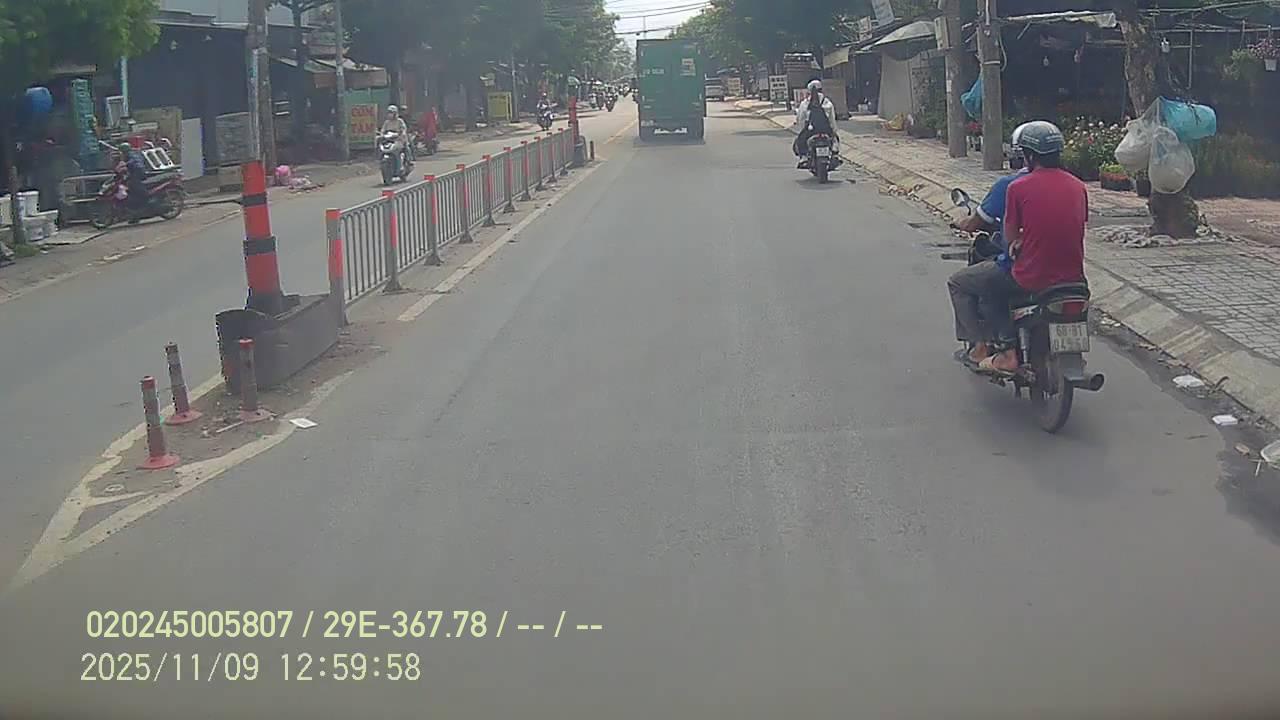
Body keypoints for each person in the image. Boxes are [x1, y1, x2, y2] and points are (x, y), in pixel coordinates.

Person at [946, 120, 1087, 373]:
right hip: (1074, 276)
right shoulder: (1078, 186)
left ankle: (1002, 352)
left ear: (1029, 156)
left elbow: (1009, 238)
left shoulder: (1017, 187)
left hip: (1031, 275)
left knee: (969, 284)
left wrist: (1018, 241)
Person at [792, 79, 839, 169]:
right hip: (826, 130)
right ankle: (834, 155)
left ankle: (804, 158)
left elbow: (801, 119)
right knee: (835, 139)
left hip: (811, 130)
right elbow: (832, 119)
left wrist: (802, 130)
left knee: (800, 140)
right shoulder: (827, 102)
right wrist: (833, 130)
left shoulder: (805, 103)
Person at [117, 142, 147, 210]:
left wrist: (125, 165)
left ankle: (142, 202)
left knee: (133, 185)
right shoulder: (133, 153)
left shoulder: (130, 155)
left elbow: (132, 162)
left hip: (138, 172)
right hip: (138, 171)